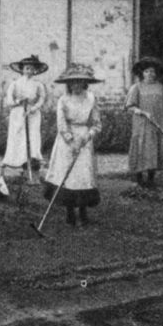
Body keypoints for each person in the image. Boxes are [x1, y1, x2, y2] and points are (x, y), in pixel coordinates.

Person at [43, 63, 103, 227]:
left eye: (80, 82)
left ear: (85, 83)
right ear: (69, 84)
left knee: (83, 176)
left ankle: (83, 212)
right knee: (67, 176)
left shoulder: (91, 98)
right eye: (73, 82)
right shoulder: (63, 100)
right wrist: (70, 140)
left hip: (84, 141)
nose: (76, 85)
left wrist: (88, 136)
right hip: (66, 142)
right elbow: (61, 123)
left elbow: (97, 124)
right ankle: (70, 212)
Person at [125, 56, 163, 188]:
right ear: (141, 73)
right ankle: (139, 179)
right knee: (141, 148)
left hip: (157, 123)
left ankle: (151, 179)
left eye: (152, 71)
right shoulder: (136, 88)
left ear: (156, 73)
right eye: (146, 71)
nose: (150, 74)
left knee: (155, 149)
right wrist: (142, 112)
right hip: (141, 124)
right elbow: (129, 107)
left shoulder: (160, 87)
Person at [3, 55, 49, 171]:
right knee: (18, 135)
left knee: (33, 136)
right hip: (18, 112)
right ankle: (15, 160)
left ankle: (32, 160)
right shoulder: (15, 84)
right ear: (22, 69)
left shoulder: (38, 85)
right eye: (27, 68)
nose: (30, 71)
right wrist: (18, 101)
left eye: (32, 69)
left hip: (32, 113)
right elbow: (9, 101)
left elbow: (42, 99)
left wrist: (34, 108)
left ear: (35, 70)